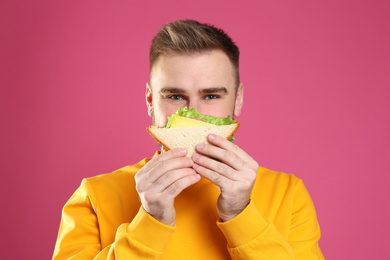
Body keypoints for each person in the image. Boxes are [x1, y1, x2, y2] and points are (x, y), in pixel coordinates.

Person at [53, 19, 324, 259]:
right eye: (174, 96)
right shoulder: (94, 195)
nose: (192, 112)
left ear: (237, 99)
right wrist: (150, 222)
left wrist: (241, 214)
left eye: (211, 96)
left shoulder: (289, 194)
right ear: (150, 100)